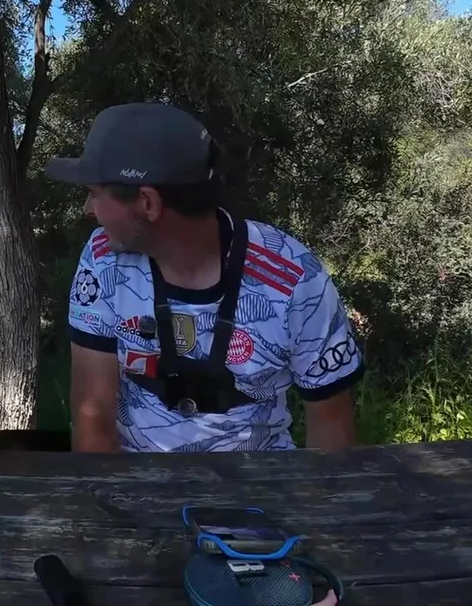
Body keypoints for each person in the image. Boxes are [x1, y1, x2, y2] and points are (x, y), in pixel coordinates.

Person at [45, 103, 362, 453]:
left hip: (262, 480)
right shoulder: (102, 260)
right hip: (134, 480)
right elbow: (93, 422)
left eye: (94, 193)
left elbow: (331, 434)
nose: (88, 210)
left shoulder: (295, 279)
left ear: (148, 203)